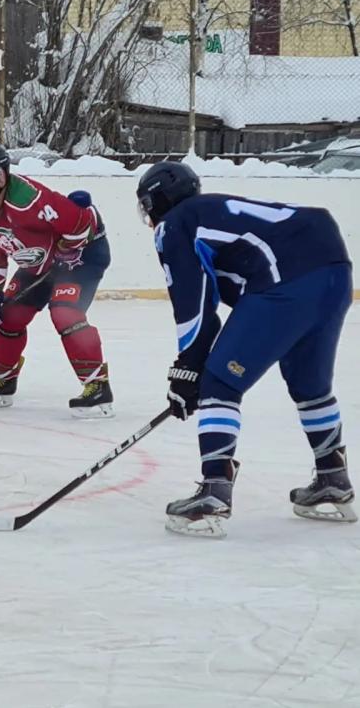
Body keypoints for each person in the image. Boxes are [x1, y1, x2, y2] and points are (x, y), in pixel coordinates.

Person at [137, 161, 355, 538]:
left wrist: (189, 368)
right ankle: (333, 479)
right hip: (334, 268)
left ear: (157, 201)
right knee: (310, 386)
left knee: (219, 384)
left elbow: (194, 305)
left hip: (286, 279)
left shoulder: (175, 224)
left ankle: (214, 491)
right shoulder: (209, 211)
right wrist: (192, 364)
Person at [0, 144, 113, 416]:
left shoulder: (29, 200)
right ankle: (5, 378)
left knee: (65, 313)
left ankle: (97, 386)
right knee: (8, 315)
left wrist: (67, 251)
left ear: (1, 176)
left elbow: (83, 224)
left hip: (83, 257)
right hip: (39, 264)